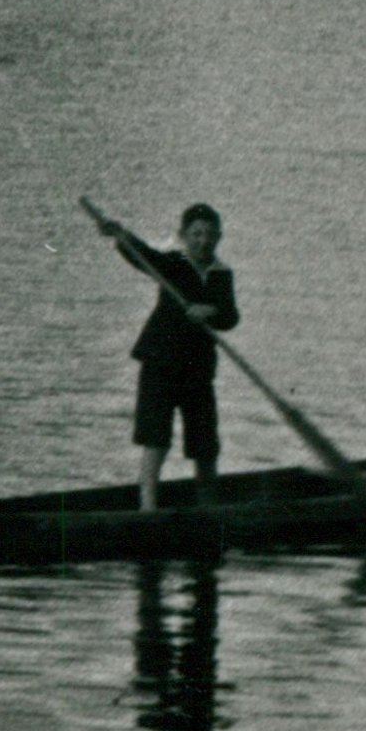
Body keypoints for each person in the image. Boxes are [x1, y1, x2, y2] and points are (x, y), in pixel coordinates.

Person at [111, 203, 239, 510]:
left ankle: (208, 508)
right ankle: (148, 508)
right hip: (160, 363)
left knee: (205, 444)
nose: (203, 241)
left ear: (219, 237)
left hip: (198, 369)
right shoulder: (172, 264)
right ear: (183, 236)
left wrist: (211, 310)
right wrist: (120, 235)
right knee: (156, 438)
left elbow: (230, 317)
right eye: (196, 234)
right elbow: (141, 256)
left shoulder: (222, 275)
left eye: (209, 234)